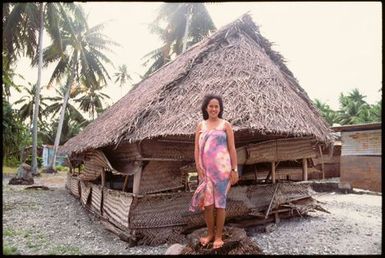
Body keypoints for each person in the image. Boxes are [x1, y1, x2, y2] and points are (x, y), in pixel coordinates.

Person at [189, 94, 239, 249]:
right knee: (207, 205)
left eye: (216, 106)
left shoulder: (226, 125)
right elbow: (197, 149)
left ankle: (218, 236)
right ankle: (210, 233)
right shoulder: (200, 126)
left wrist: (234, 169)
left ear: (220, 108)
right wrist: (198, 166)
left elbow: (232, 148)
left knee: (220, 204)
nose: (214, 109)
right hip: (206, 172)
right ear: (206, 108)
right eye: (211, 106)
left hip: (223, 171)